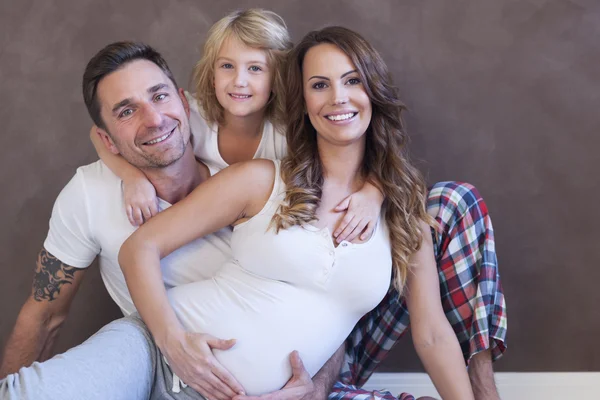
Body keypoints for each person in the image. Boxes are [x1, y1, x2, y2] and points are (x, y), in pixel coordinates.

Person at [116, 25, 477, 399]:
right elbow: (137, 243)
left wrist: (377, 188)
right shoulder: (258, 176)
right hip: (154, 354)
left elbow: (433, 333)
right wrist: (174, 345)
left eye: (352, 80)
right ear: (303, 101)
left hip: (293, 383)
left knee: (457, 199)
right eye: (320, 85)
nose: (338, 97)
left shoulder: (400, 203)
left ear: (373, 89)